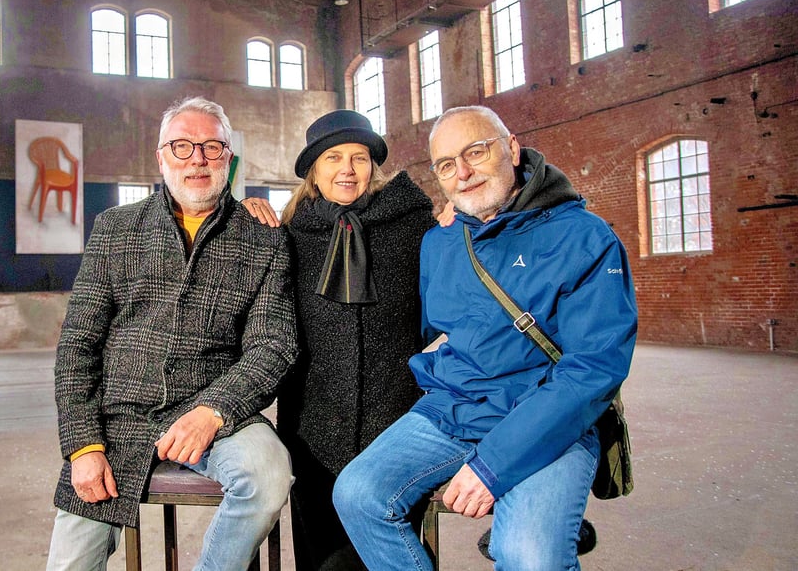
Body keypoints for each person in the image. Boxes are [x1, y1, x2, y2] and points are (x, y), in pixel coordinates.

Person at [333, 105, 638, 570]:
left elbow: (594, 368)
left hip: (548, 418)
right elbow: (410, 324)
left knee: (527, 555)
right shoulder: (443, 240)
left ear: (512, 149)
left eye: (476, 152)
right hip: (456, 406)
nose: (465, 172)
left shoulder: (585, 238)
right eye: (447, 165)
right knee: (358, 494)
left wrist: (492, 467)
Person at [45, 97, 298, 571]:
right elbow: (78, 344)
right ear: (161, 158)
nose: (197, 159)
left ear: (229, 158)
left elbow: (273, 346)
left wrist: (213, 410)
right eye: (181, 147)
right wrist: (83, 446)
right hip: (118, 417)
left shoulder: (264, 238)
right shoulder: (116, 229)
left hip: (217, 412)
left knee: (268, 475)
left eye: (210, 147)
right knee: (69, 564)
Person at [243, 109, 436, 570]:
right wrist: (241, 215)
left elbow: (440, 302)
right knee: (320, 554)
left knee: (389, 547)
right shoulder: (288, 231)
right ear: (314, 168)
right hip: (312, 418)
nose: (347, 169)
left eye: (359, 158)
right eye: (333, 158)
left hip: (395, 416)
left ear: (374, 166)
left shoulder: (414, 224)